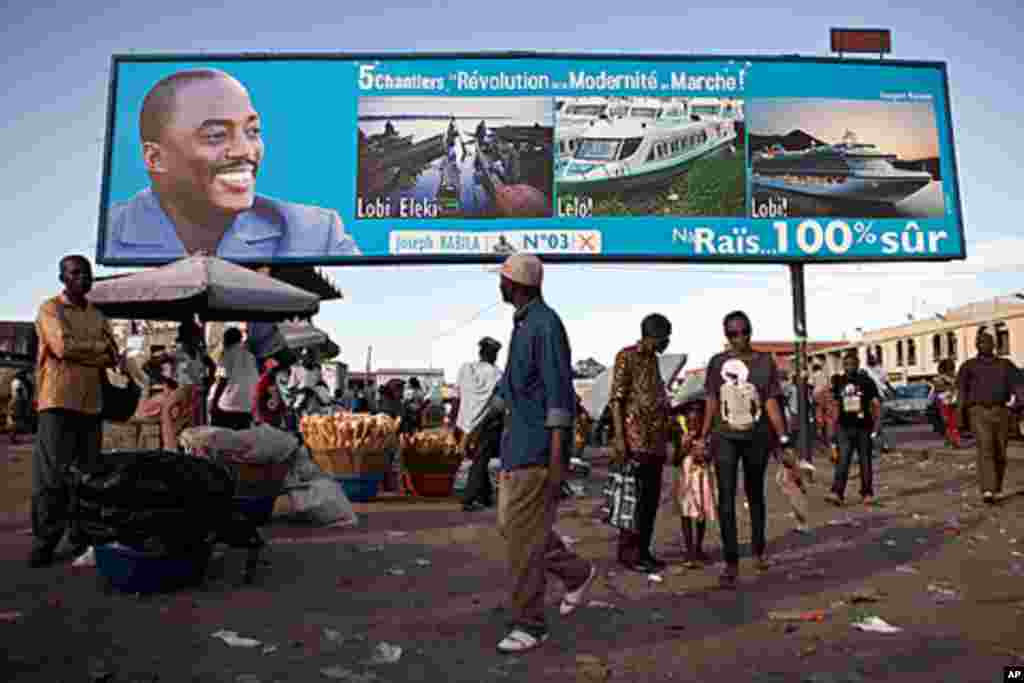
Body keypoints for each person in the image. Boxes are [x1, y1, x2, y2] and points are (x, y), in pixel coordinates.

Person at [104, 68, 361, 261]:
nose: (245, 151)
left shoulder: (314, 234)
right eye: (216, 135)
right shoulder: (111, 233)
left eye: (253, 131)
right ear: (155, 159)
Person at [489, 253, 594, 654]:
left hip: (535, 452)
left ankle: (530, 624)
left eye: (501, 279)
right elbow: (511, 393)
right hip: (515, 449)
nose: (498, 285)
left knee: (522, 543)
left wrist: (556, 465)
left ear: (516, 284)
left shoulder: (545, 325)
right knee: (516, 531)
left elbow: (558, 396)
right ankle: (576, 572)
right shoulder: (522, 325)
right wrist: (477, 431)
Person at [30, 255, 120, 568]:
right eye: (76, 273)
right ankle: (45, 541)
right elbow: (62, 347)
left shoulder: (97, 314)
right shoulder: (50, 309)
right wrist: (94, 349)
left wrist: (88, 350)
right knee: (52, 476)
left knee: (89, 475)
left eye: (87, 273)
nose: (83, 278)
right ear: (62, 278)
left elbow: (112, 354)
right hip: (57, 401)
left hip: (91, 403)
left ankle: (80, 536)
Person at [696, 310, 789, 589]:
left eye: (744, 332)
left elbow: (771, 401)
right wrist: (703, 436)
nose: (739, 338)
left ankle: (759, 551)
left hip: (757, 436)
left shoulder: (764, 362)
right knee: (726, 498)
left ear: (751, 331)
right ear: (726, 336)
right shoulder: (717, 363)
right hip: (724, 437)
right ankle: (731, 561)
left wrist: (783, 438)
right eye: (733, 334)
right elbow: (711, 401)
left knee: (755, 494)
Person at [609, 313, 677, 572]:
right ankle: (629, 554)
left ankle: (644, 551)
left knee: (650, 501)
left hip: (654, 442)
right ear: (654, 335)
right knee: (633, 502)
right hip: (634, 439)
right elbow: (616, 399)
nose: (667, 342)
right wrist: (619, 438)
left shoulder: (653, 362)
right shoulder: (627, 356)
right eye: (666, 337)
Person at [957, 332, 1022, 504]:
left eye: (986, 342)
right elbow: (961, 393)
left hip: (1001, 411)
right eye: (979, 342)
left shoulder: (1006, 365)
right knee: (985, 448)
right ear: (975, 345)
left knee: (1000, 451)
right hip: (978, 412)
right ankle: (988, 490)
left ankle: (997, 487)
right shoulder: (968, 366)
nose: (982, 345)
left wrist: (1018, 405)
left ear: (994, 345)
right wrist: (960, 417)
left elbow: (1018, 386)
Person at [825, 351, 882, 507]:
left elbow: (875, 404)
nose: (849, 367)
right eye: (846, 364)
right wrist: (831, 428)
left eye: (852, 364)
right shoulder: (838, 381)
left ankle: (867, 493)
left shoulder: (867, 381)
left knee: (865, 461)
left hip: (864, 427)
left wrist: (877, 427)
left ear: (857, 365)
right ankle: (837, 493)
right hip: (844, 427)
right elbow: (833, 404)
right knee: (843, 460)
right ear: (843, 366)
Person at [455, 337, 503, 512]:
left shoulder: (467, 369)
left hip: (466, 422)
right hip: (487, 423)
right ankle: (469, 499)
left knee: (478, 459)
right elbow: (500, 402)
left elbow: (458, 396)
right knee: (480, 461)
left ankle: (485, 496)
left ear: (480, 352)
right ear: (494, 355)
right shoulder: (497, 374)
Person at [672, 397, 716, 568]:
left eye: (697, 421)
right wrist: (685, 448)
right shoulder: (682, 437)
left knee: (701, 513)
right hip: (686, 481)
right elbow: (675, 460)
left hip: (702, 480)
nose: (693, 425)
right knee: (686, 512)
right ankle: (689, 548)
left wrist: (703, 453)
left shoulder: (707, 438)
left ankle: (698, 547)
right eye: (690, 421)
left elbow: (711, 457)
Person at [209, 327, 259, 430]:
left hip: (228, 407)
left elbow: (222, 380)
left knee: (220, 438)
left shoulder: (227, 355)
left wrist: (214, 404)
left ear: (226, 340)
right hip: (247, 407)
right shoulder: (251, 356)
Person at [931, 358, 961, 448]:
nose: (952, 371)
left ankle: (953, 441)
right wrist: (950, 386)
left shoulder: (956, 377)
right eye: (950, 369)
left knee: (951, 423)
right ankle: (952, 441)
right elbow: (938, 389)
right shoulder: (939, 379)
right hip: (945, 403)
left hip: (950, 403)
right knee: (950, 423)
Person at [8, 368, 34, 444]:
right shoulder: (18, 381)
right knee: (16, 420)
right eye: (24, 374)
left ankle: (13, 437)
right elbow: (19, 392)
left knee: (17, 420)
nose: (26, 376)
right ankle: (12, 437)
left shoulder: (18, 381)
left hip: (18, 401)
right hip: (18, 402)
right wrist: (24, 402)